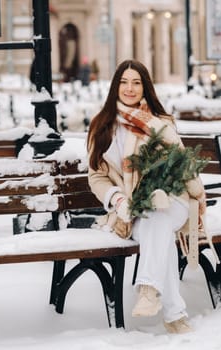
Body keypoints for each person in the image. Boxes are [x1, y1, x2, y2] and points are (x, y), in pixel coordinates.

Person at [87, 59, 206, 334]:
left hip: (173, 201)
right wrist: (118, 199)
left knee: (159, 212)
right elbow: (96, 177)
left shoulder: (159, 123)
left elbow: (183, 164)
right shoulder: (102, 125)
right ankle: (175, 315)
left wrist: (196, 195)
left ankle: (149, 288)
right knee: (157, 227)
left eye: (136, 82)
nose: (129, 88)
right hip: (133, 211)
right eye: (124, 82)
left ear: (145, 87)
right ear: (116, 85)